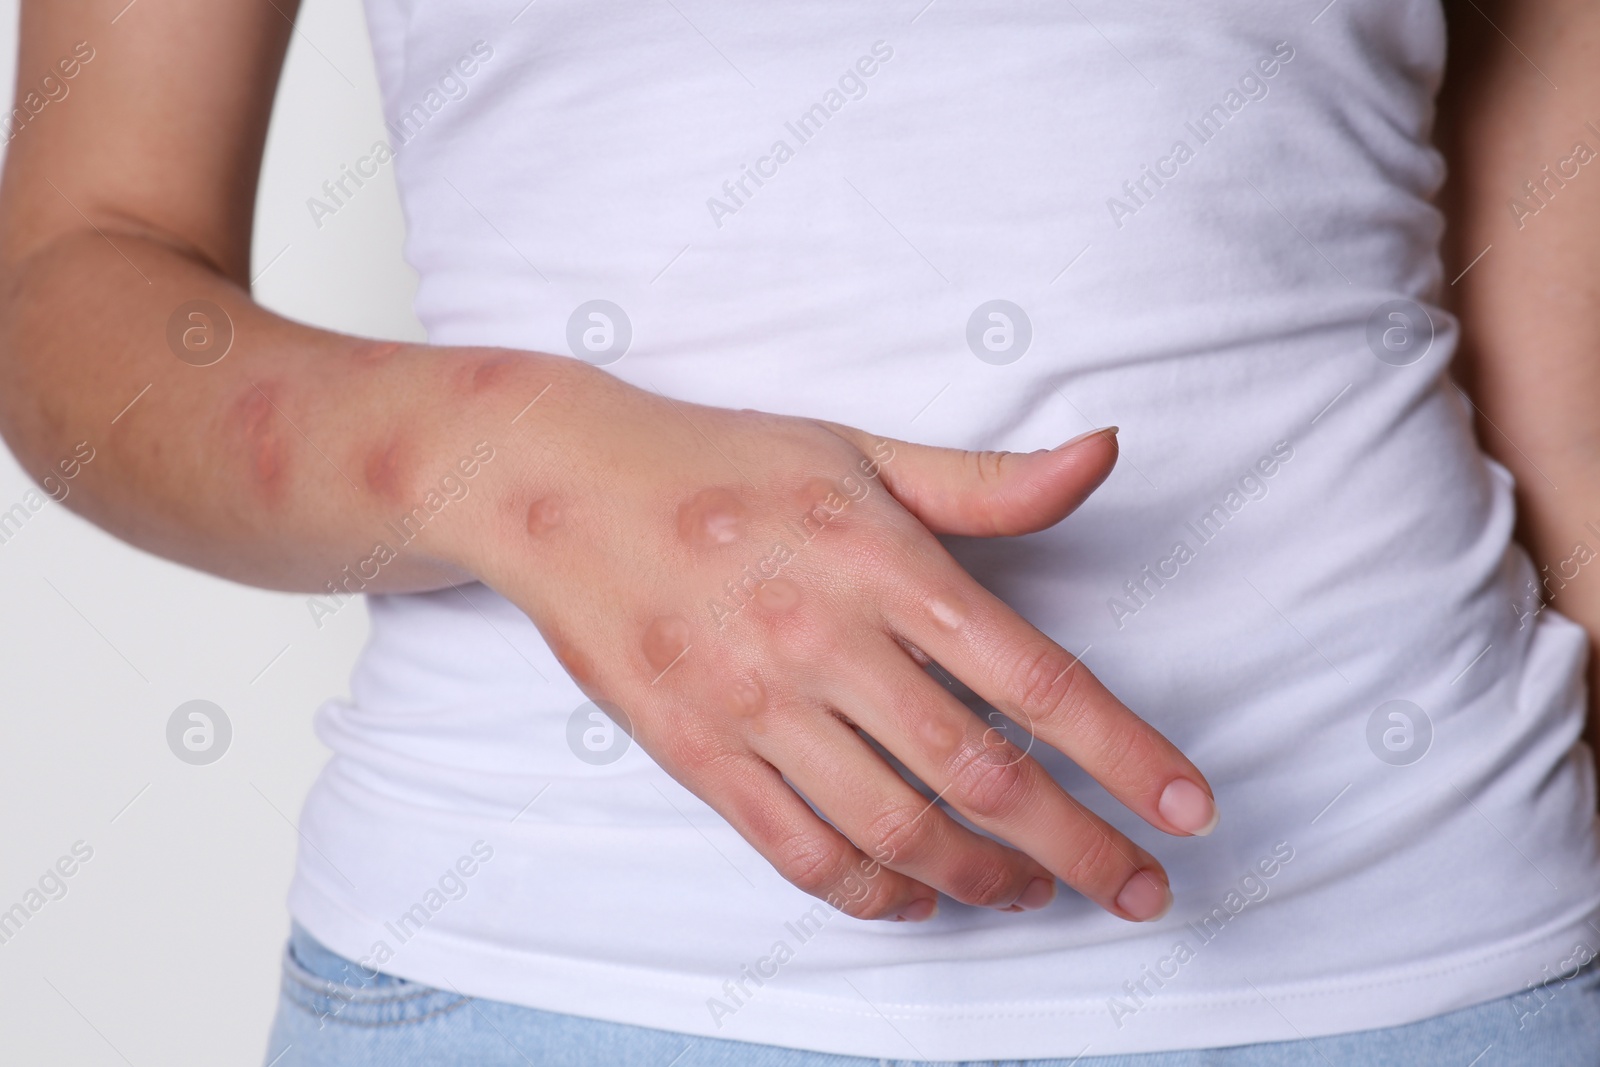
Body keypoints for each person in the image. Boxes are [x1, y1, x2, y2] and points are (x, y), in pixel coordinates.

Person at [2, 0, 1597, 1063]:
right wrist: (518, 461)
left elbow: (1548, 235)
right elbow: (75, 277)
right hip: (548, 973)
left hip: (1439, 948)